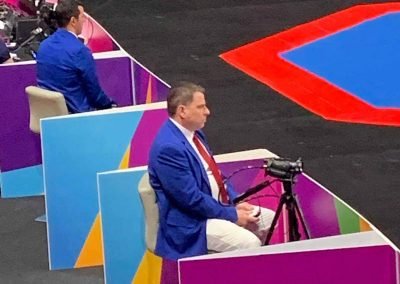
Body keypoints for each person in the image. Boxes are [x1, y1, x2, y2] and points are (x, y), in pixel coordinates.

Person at [148, 82, 275, 260]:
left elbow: (216, 175)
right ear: (182, 111)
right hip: (192, 223)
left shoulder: (196, 134)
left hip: (215, 208)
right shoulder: (168, 149)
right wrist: (232, 214)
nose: (207, 111)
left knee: (270, 220)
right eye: (201, 107)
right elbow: (190, 199)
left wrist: (235, 201)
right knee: (249, 244)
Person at [36, 0, 114, 113]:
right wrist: (111, 105)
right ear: (73, 20)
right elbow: (95, 94)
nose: (84, 20)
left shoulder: (43, 46)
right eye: (82, 16)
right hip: (78, 116)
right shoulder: (80, 51)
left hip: (49, 118)